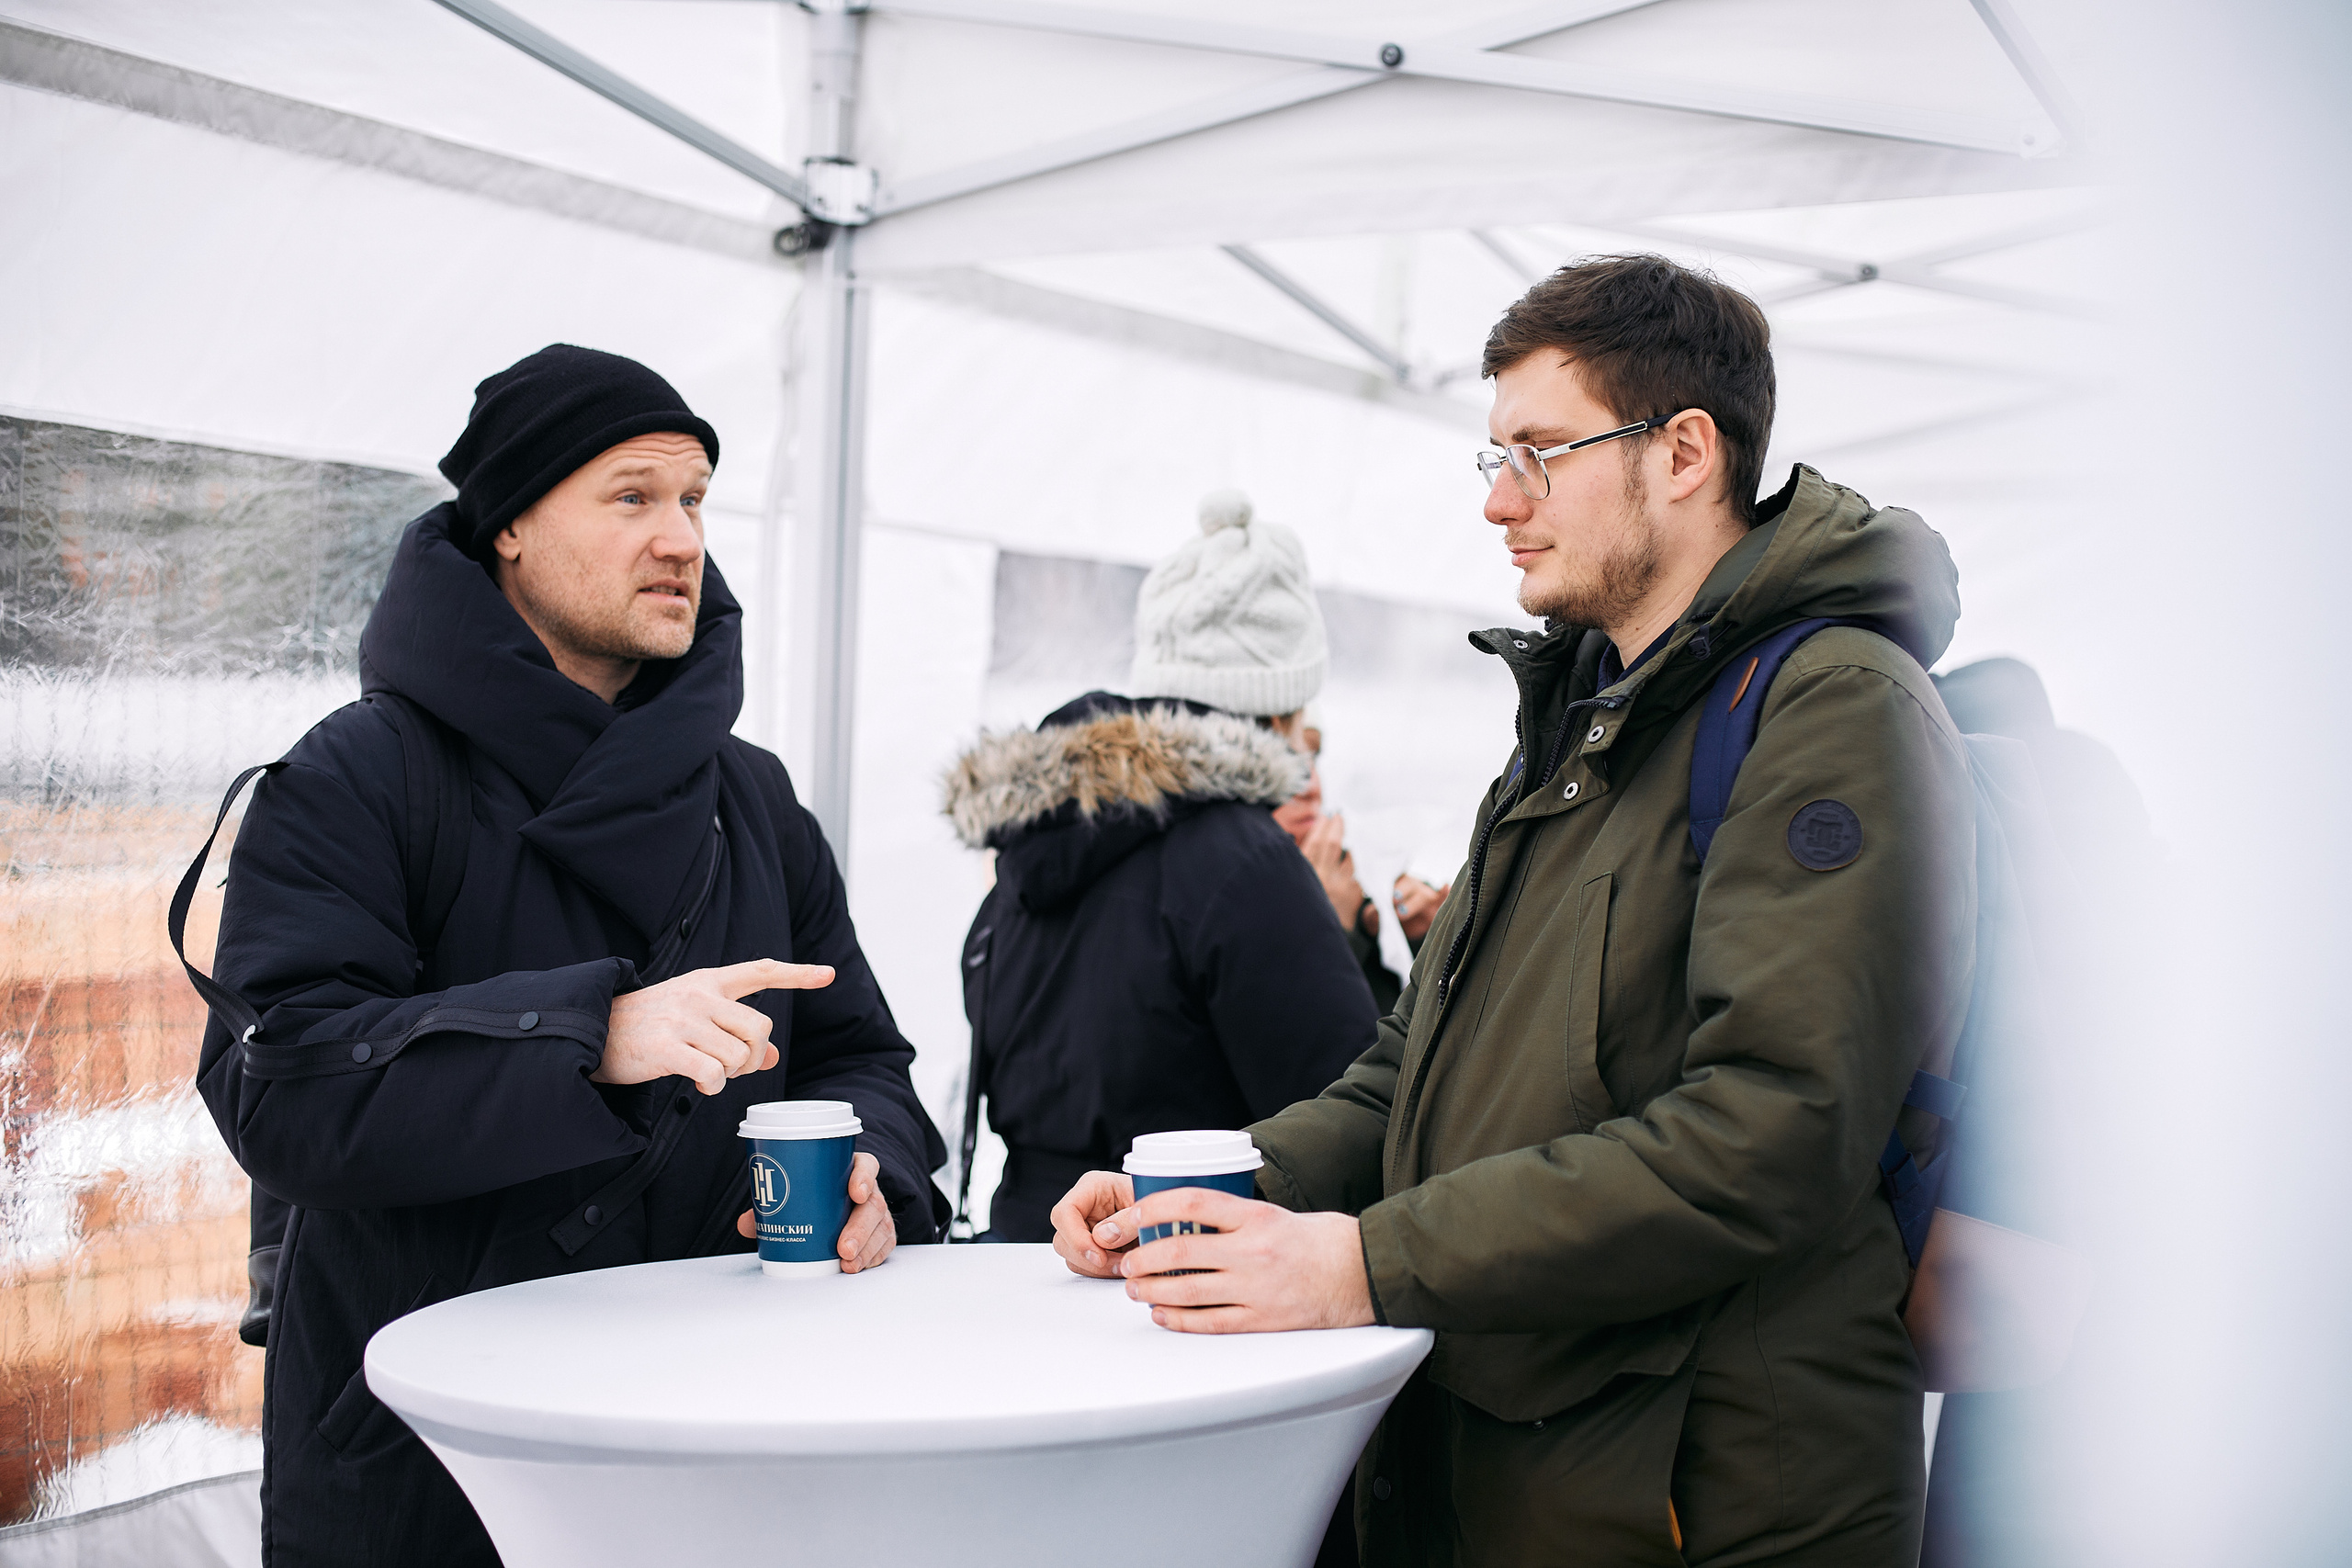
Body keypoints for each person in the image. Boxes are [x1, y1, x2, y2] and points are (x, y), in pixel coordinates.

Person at [1050, 256, 1977, 1566]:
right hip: (1525, 1468)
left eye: (1538, 454)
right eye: (1490, 457)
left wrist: (1360, 1263)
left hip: (1703, 1498)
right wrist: (1226, 1182)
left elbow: (1772, 1130)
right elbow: (1412, 1066)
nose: (1498, 501)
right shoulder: (1583, 718)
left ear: (1684, 453)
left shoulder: (1829, 710)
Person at [193, 345, 947, 1568]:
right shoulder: (360, 775)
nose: (683, 538)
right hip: (432, 1463)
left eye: (696, 498)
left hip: (726, 1441)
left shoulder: (753, 798)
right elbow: (279, 1084)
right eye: (633, 495)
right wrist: (591, 1033)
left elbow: (861, 1050)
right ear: (509, 528)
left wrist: (874, 1171)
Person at [941, 490, 1377, 1244]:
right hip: (1177, 1273)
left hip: (1025, 1259)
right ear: (1276, 710)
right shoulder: (1244, 857)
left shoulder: (1036, 839)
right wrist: (1350, 940)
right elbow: (1354, 1119)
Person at [1270, 710, 1404, 1014]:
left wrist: (1416, 935)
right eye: (1285, 762)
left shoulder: (1359, 871)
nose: (1312, 787)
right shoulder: (1214, 905)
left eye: (1312, 759)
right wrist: (1330, 928)